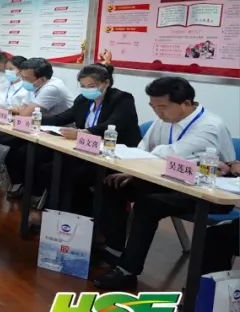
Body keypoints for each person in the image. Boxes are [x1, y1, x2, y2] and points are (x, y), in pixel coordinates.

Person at [94, 77, 236, 290]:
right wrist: (134, 171)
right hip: (169, 181)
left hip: (207, 192)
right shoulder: (166, 119)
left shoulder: (210, 126)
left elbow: (171, 154)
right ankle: (113, 250)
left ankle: (127, 271)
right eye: (153, 106)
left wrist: (151, 158)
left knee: (149, 205)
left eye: (162, 107)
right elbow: (144, 148)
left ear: (186, 103)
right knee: (113, 185)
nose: (158, 112)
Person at [38, 64, 141, 214]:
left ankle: (81, 216)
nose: (86, 90)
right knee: (49, 168)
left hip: (113, 156)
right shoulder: (83, 100)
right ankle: (59, 213)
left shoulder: (121, 99)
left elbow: (113, 124)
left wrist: (83, 132)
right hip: (86, 153)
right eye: (83, 86)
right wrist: (33, 119)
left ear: (106, 83)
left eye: (91, 86)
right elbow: (61, 118)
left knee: (69, 175)